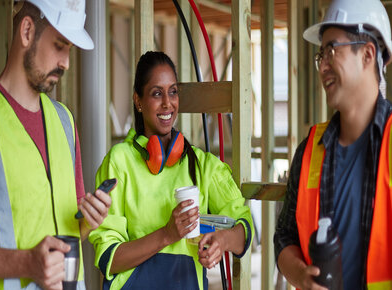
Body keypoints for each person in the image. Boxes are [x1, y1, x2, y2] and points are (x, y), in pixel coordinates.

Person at [0, 0, 112, 289]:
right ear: (27, 31)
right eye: (59, 45)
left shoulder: (64, 122)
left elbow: (70, 230)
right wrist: (27, 262)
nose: (66, 62)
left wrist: (89, 221)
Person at [88, 51, 254, 290]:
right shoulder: (119, 162)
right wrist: (167, 234)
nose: (168, 103)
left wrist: (221, 241)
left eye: (173, 91)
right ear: (138, 100)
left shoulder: (201, 165)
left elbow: (243, 228)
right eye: (157, 93)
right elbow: (108, 259)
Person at [274, 0, 392, 289]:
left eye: (331, 50)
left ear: (367, 54)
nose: (322, 65)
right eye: (320, 55)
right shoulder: (310, 149)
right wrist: (301, 275)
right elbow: (284, 237)